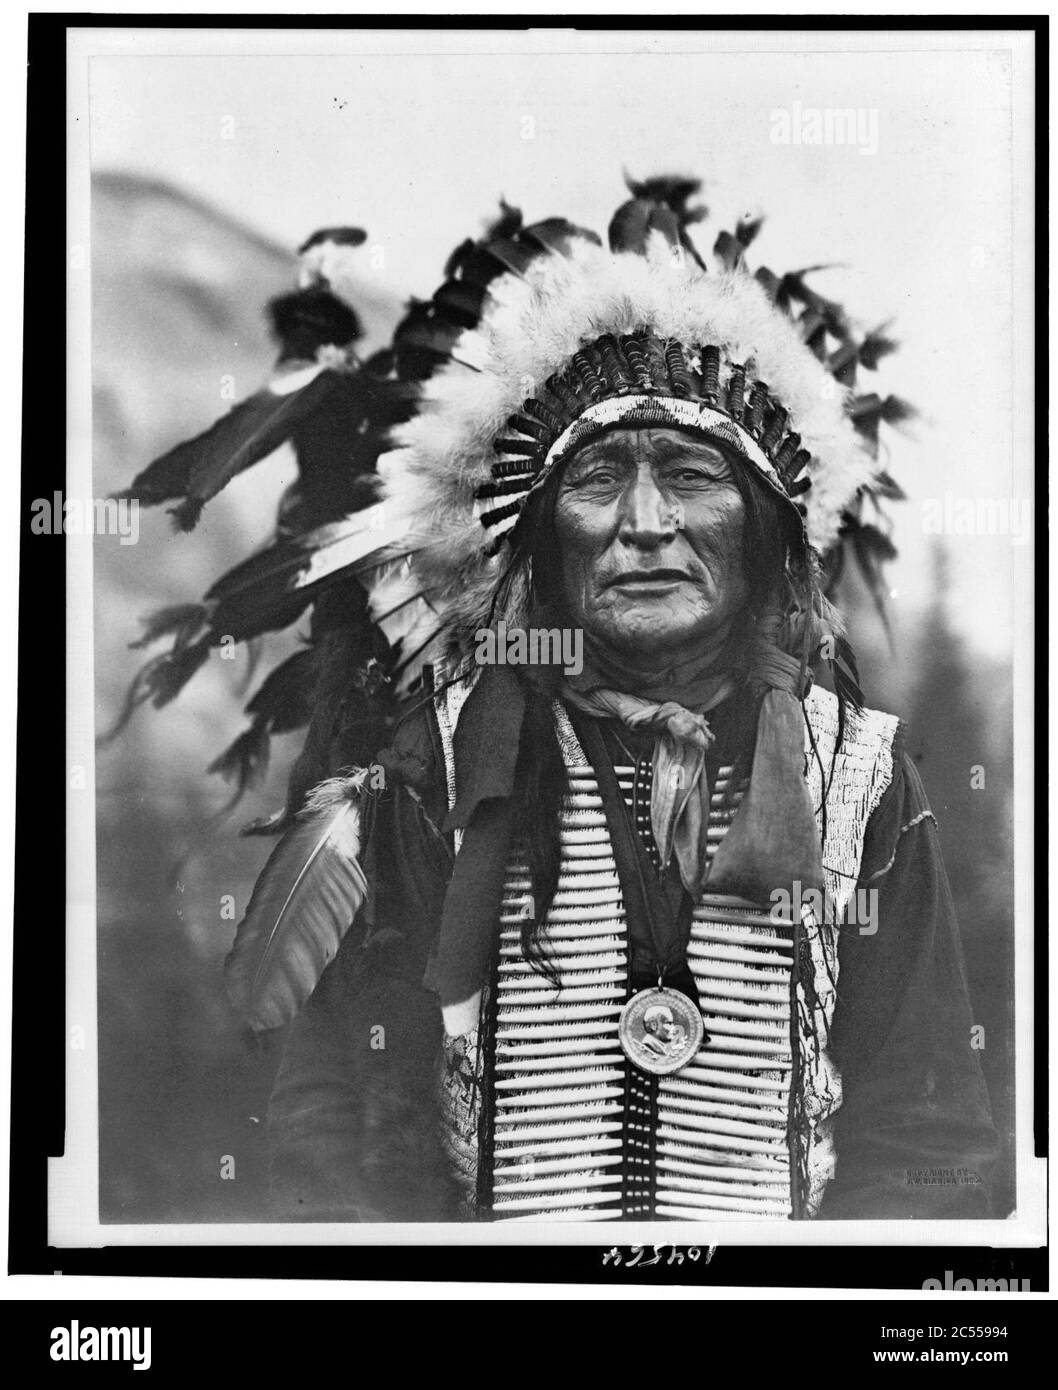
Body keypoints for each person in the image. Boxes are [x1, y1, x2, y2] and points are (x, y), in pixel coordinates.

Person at [226, 181, 999, 1223]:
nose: (645, 521)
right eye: (596, 480)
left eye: (689, 472)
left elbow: (924, 1133)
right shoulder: (436, 769)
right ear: (540, 533)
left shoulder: (856, 781)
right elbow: (341, 1125)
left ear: (764, 529)